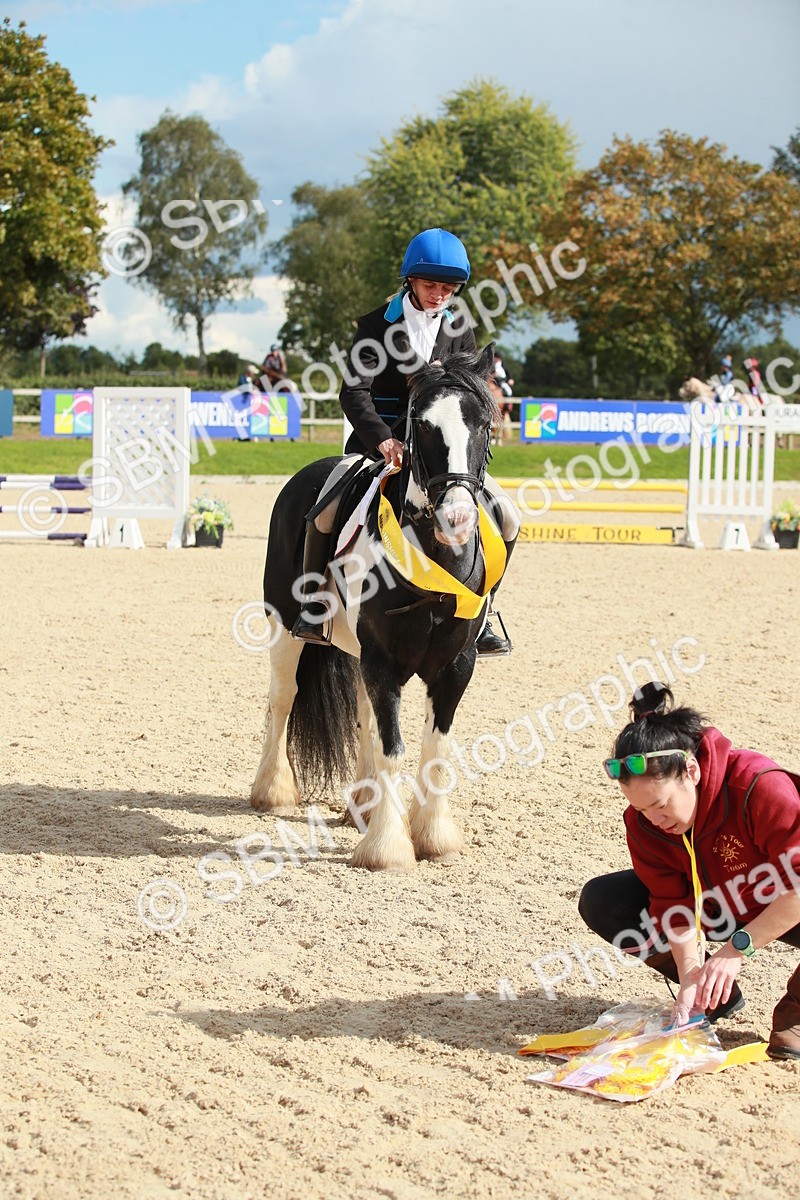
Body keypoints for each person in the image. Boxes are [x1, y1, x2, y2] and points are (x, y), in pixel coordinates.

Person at [292, 227, 520, 655]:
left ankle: (484, 610)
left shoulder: (460, 327)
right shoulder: (376, 325)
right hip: (379, 444)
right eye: (431, 285)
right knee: (326, 511)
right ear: (410, 280)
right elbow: (353, 392)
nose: (439, 295)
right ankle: (315, 603)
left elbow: (469, 392)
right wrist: (382, 441)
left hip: (441, 454)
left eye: (448, 288)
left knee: (508, 517)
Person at [579, 681, 800, 1061]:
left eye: (661, 805)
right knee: (604, 900)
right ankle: (711, 996)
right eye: (642, 808)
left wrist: (735, 949)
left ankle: (795, 1018)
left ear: (692, 771)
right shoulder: (644, 823)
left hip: (783, 900)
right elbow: (672, 904)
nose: (655, 819)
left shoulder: (757, 786)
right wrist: (691, 975)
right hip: (720, 902)